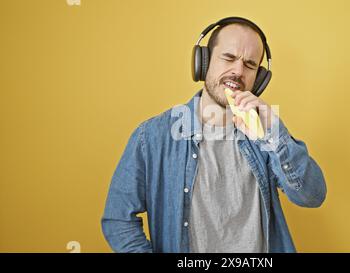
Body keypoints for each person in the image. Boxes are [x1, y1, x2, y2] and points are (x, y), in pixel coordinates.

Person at [101, 17, 327, 253]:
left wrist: (273, 130)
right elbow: (118, 220)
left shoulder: (266, 135)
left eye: (249, 65)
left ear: (259, 79)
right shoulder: (152, 137)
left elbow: (312, 196)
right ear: (203, 61)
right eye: (228, 58)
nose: (238, 71)